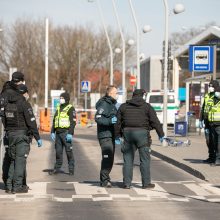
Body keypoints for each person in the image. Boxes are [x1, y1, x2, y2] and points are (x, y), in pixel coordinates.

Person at [115, 89, 164, 189]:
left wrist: (117, 136)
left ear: (133, 96)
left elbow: (117, 123)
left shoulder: (123, 107)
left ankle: (127, 183)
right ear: (143, 96)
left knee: (128, 160)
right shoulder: (147, 107)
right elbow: (155, 122)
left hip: (128, 134)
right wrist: (161, 134)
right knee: (145, 160)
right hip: (143, 135)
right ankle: (146, 183)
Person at [4, 84, 42, 194]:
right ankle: (17, 186)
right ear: (24, 93)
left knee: (12, 160)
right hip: (22, 136)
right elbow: (31, 122)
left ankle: (9, 186)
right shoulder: (24, 104)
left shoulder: (8, 104)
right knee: (20, 161)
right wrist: (37, 137)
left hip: (10, 135)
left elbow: (5, 121)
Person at [0, 71, 28, 190]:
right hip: (14, 129)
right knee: (19, 157)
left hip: (7, 129)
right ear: (21, 81)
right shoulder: (16, 92)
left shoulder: (5, 91)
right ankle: (19, 184)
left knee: (9, 156)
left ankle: (8, 183)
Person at [95, 85, 118, 187]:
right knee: (107, 157)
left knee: (110, 158)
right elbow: (98, 118)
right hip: (105, 135)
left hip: (111, 135)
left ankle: (105, 178)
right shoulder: (104, 104)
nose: (117, 95)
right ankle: (104, 180)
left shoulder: (112, 104)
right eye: (115, 93)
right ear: (110, 94)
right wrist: (109, 121)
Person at [50, 92, 76, 175]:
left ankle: (71, 169)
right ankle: (57, 168)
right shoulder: (58, 108)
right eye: (60, 98)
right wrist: (52, 131)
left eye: (62, 98)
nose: (60, 99)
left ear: (66, 99)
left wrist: (70, 133)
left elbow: (73, 122)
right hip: (58, 133)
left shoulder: (70, 108)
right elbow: (55, 120)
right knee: (58, 152)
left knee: (69, 151)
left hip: (66, 132)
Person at [199, 80, 219, 164]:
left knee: (216, 141)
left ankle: (217, 158)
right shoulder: (207, 96)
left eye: (212, 86)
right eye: (209, 86)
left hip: (216, 122)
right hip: (208, 122)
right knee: (209, 140)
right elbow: (203, 108)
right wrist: (201, 119)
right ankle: (211, 157)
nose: (210, 88)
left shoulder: (218, 96)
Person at [208, 86, 220, 166]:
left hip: (219, 124)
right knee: (214, 142)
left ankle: (218, 159)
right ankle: (216, 158)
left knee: (218, 143)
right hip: (212, 124)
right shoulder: (212, 99)